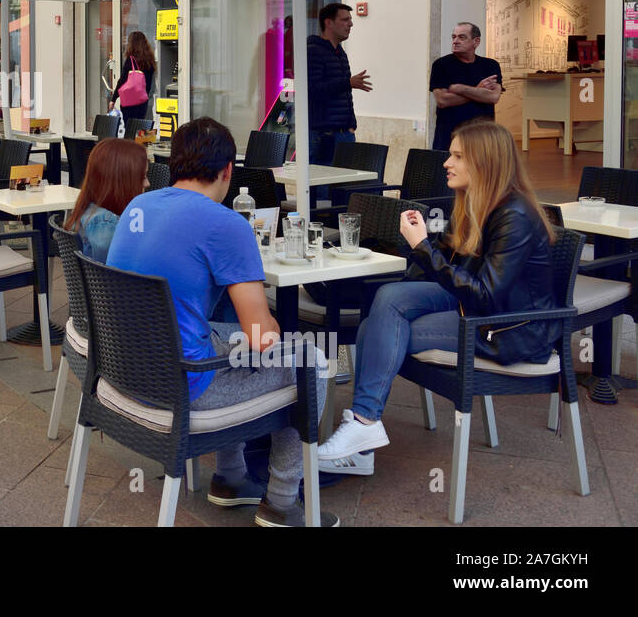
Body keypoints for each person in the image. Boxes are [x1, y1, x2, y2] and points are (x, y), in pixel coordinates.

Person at [107, 117, 333, 527]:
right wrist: (279, 340)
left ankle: (230, 479)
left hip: (126, 373)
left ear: (172, 163)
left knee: (227, 336)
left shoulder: (137, 206)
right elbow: (262, 337)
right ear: (228, 171)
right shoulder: (226, 223)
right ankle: (282, 502)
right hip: (182, 385)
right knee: (310, 362)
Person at [318, 119, 556, 476]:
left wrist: (423, 247)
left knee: (378, 330)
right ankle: (363, 433)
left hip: (510, 328)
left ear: (485, 163)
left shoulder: (514, 215)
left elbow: (486, 297)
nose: (447, 162)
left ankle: (363, 427)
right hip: (473, 307)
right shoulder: (475, 203)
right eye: (451, 154)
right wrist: (423, 244)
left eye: (458, 156)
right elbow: (450, 267)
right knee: (388, 299)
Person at [307, 2, 372, 201]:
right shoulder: (313, 51)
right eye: (345, 20)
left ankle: (337, 224)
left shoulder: (339, 52)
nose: (350, 24)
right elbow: (312, 90)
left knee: (343, 188)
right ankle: (324, 226)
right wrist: (348, 83)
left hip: (343, 132)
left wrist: (351, 125)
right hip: (325, 133)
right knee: (323, 192)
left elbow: (342, 93)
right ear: (329, 23)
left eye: (351, 20)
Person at [63, 137, 148, 262]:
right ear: (121, 181)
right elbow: (110, 274)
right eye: (143, 177)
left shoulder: (89, 210)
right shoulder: (105, 224)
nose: (147, 183)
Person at [430, 22, 502, 151]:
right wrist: (479, 91)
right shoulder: (441, 65)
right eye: (453, 37)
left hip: (482, 136)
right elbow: (442, 100)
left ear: (476, 41)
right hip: (449, 137)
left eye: (462, 37)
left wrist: (460, 89)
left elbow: (493, 97)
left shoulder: (491, 65)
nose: (455, 41)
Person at [109, 30, 156, 125]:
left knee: (129, 127)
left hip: (129, 101)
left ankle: (130, 140)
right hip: (142, 101)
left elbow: (122, 81)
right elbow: (149, 84)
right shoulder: (149, 60)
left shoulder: (130, 60)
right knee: (138, 128)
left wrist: (113, 99)